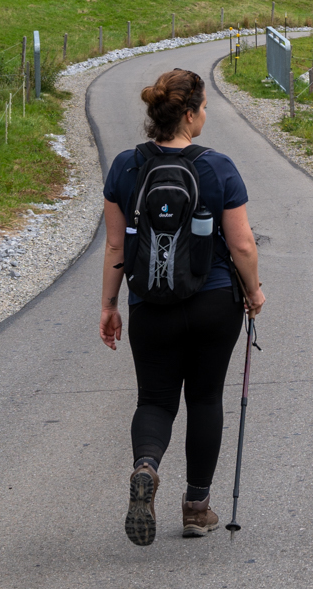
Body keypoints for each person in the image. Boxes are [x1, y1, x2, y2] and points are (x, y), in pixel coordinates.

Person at [99, 67, 265, 546]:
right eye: (205, 108)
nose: (206, 115)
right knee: (205, 398)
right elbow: (243, 246)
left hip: (150, 302)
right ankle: (197, 508)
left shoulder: (126, 168)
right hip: (214, 300)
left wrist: (110, 305)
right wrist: (253, 292)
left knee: (155, 399)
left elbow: (115, 247)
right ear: (189, 114)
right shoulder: (217, 167)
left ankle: (147, 467)